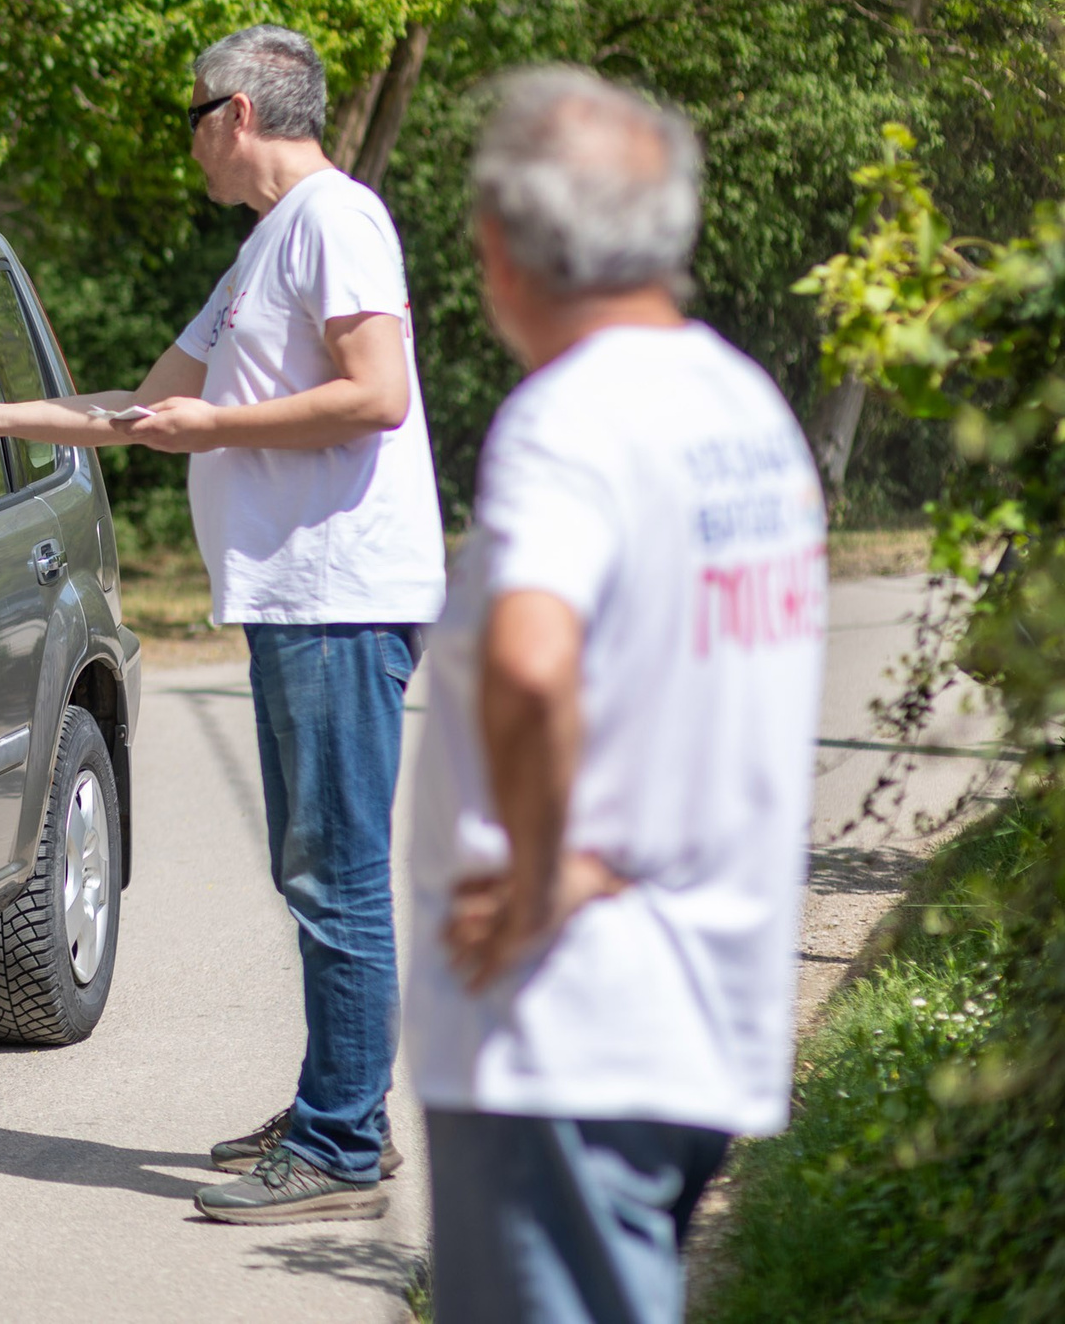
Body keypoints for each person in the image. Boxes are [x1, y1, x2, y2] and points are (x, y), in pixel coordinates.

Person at [0, 23, 445, 1222]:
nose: (189, 145)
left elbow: (377, 394)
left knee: (336, 875)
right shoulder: (263, 250)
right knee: (312, 866)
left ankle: (344, 1147)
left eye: (192, 118)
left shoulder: (335, 220)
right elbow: (151, 409)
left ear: (239, 115)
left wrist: (213, 432)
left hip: (341, 597)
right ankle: (334, 1104)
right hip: (296, 600)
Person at [408, 69, 824, 1323]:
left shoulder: (567, 423)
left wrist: (540, 877)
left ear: (497, 247)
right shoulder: (741, 407)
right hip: (702, 1012)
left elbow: (534, 661)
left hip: (562, 1031)